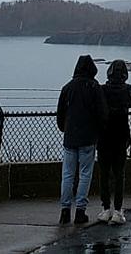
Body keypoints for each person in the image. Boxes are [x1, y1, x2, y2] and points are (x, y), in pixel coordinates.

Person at [56, 54, 107, 225]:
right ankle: (80, 211)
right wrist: (99, 132)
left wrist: (65, 128)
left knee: (68, 174)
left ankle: (64, 212)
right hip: (88, 138)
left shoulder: (67, 88)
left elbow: (60, 114)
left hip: (70, 138)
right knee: (85, 174)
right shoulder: (94, 87)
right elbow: (102, 114)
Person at [96, 59, 131, 224]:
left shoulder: (102, 90)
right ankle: (118, 211)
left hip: (104, 136)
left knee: (104, 174)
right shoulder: (128, 90)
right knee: (119, 174)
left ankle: (106, 208)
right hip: (121, 136)